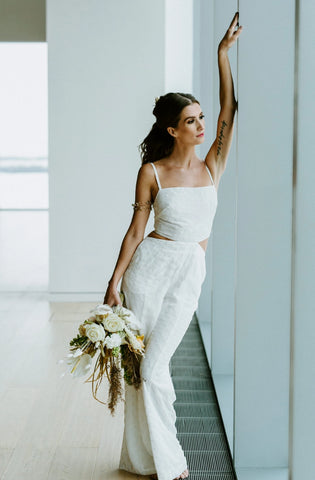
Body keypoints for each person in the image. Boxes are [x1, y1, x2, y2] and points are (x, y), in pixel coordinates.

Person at [103, 12, 242, 480]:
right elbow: (135, 231)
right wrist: (115, 281)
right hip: (149, 269)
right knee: (143, 370)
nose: (201, 126)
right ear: (171, 130)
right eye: (190, 120)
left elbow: (230, 109)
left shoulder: (212, 164)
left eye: (201, 118)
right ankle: (154, 461)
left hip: (189, 273)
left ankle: (165, 460)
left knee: (157, 365)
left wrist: (221, 54)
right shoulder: (153, 172)